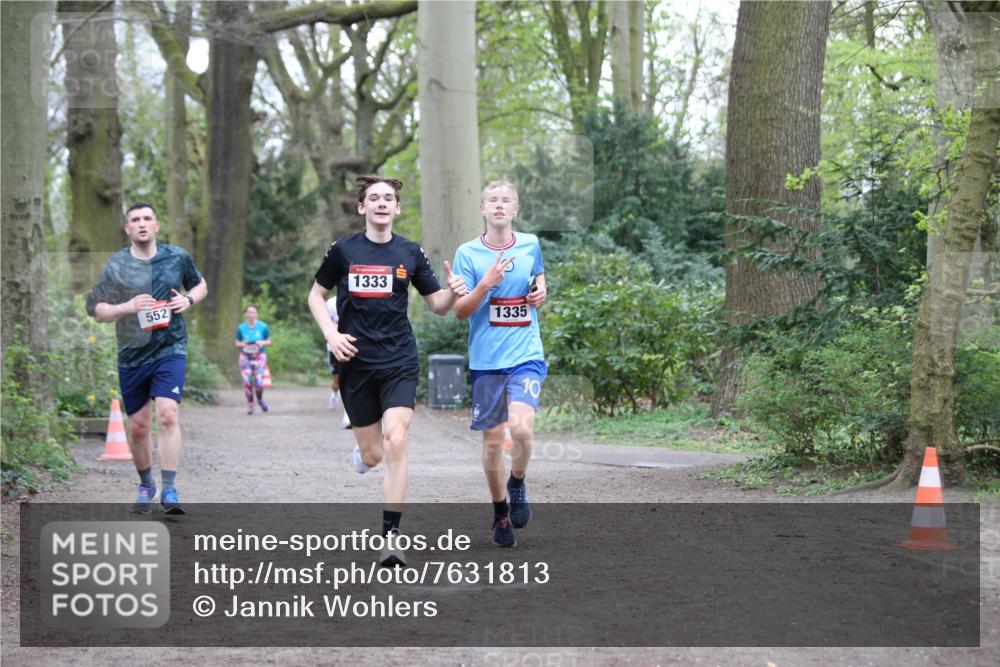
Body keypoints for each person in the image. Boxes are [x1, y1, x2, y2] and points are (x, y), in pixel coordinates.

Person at [308, 175, 467, 567]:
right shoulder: (342, 251)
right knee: (375, 454)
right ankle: (364, 457)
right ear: (362, 207)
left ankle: (391, 539)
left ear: (397, 208)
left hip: (398, 361)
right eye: (374, 198)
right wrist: (331, 334)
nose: (382, 203)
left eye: (389, 198)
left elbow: (439, 306)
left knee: (397, 441)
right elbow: (316, 295)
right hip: (356, 365)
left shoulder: (410, 253)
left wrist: (455, 290)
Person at [86, 201, 208, 515]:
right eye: (135, 220)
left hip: (171, 348)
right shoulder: (116, 265)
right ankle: (146, 484)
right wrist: (126, 308)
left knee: (167, 415)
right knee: (139, 427)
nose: (142, 224)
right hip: (132, 354)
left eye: (147, 218)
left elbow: (200, 284)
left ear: (156, 225)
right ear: (127, 228)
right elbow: (96, 309)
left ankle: (169, 488)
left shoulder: (177, 257)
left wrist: (189, 299)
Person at [453, 180, 547, 548]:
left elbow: (538, 276)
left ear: (515, 210)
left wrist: (541, 291)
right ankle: (500, 511)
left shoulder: (530, 244)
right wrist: (486, 284)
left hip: (526, 354)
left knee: (521, 431)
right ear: (482, 208)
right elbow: (461, 311)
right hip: (487, 361)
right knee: (493, 443)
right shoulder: (467, 253)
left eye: (506, 200)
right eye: (492, 199)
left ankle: (518, 482)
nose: (498, 205)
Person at [235, 305, 272, 415]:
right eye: (249, 312)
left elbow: (269, 341)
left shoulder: (263, 326)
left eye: (253, 313)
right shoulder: (241, 327)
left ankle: (260, 400)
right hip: (245, 357)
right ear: (246, 314)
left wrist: (261, 342)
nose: (251, 315)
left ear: (256, 314)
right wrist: (243, 344)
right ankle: (251, 405)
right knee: (247, 382)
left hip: (259, 356)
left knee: (259, 382)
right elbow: (237, 343)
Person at [325, 296, 351, 429]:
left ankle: (349, 414)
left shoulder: (356, 297)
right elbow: (325, 324)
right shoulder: (330, 303)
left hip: (352, 344)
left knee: (350, 379)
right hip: (334, 346)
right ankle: (335, 393)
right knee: (337, 381)